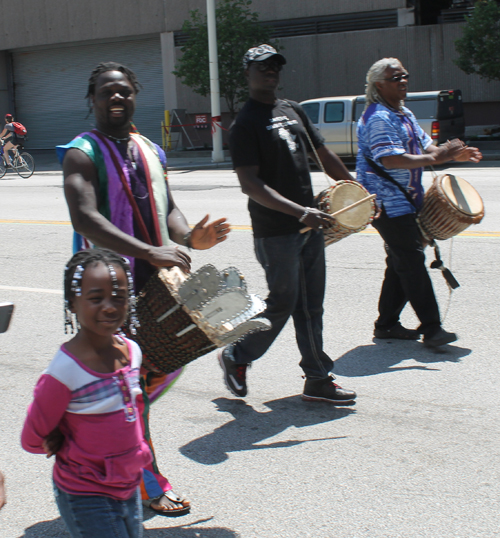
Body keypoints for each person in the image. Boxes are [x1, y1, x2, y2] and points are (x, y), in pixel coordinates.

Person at [57, 62, 230, 515]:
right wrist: (151, 252)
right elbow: (85, 217)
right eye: (106, 92)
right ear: (92, 98)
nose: (116, 98)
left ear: (135, 95)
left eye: (124, 91)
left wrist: (191, 237)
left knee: (161, 370)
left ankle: (91, 426)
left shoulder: (151, 149)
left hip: (155, 283)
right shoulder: (80, 152)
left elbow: (167, 207)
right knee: (133, 387)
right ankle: (145, 479)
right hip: (105, 291)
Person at [219, 44, 357, 404]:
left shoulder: (293, 110)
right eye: (263, 67)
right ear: (247, 74)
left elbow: (324, 155)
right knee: (284, 302)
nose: (271, 71)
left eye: (276, 66)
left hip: (309, 225)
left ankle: (317, 378)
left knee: (312, 305)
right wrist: (299, 212)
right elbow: (250, 184)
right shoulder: (245, 123)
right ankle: (237, 355)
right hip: (276, 231)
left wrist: (358, 193)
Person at [22, 249, 151, 538]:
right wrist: (60, 438)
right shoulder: (64, 371)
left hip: (128, 483)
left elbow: (136, 408)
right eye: (96, 299)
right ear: (72, 303)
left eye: (119, 297)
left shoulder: (132, 352)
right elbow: (32, 439)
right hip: (86, 492)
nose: (109, 307)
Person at [356, 57, 482, 347]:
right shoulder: (378, 118)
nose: (403, 81)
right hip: (384, 203)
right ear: (378, 85)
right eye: (395, 78)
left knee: (400, 261)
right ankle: (433, 328)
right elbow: (391, 159)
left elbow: (427, 147)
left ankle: (386, 324)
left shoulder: (404, 114)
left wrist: (454, 154)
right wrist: (441, 156)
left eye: (405, 76)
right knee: (411, 260)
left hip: (408, 200)